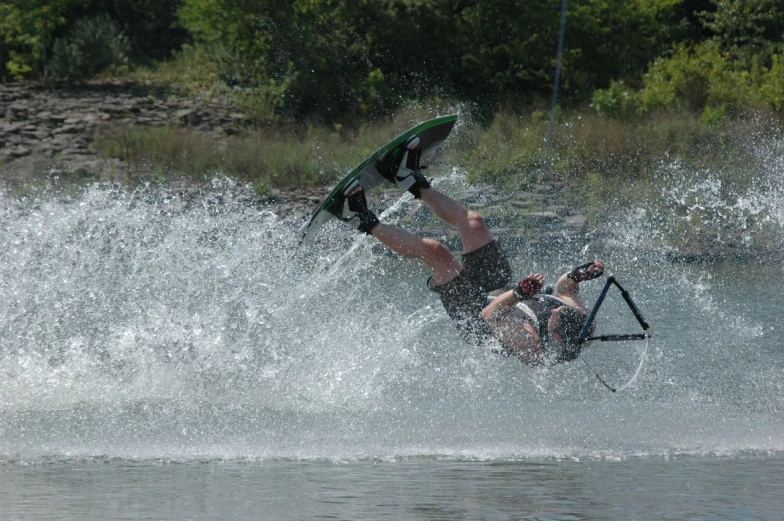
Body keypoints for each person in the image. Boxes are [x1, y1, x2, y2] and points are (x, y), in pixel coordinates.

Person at [329, 135, 604, 364]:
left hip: (477, 319)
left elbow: (491, 315)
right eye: (561, 311)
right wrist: (579, 275)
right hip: (502, 290)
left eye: (555, 317)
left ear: (556, 337)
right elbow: (565, 290)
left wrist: (519, 293)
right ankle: (406, 176)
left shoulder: (532, 347)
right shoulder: (582, 322)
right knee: (474, 223)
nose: (554, 311)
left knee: (436, 251)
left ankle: (357, 215)